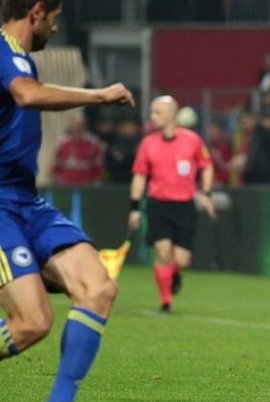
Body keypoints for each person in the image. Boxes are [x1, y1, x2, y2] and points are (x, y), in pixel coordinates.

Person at [0, 1, 135, 401]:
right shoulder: (5, 51)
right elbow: (26, 95)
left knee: (98, 288)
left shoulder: (20, 58)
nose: (56, 29)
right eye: (55, 19)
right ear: (37, 12)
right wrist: (99, 96)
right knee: (31, 323)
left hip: (26, 201)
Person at [128, 96, 216, 313]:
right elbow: (140, 175)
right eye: (152, 112)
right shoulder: (148, 143)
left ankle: (175, 274)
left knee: (182, 260)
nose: (152, 116)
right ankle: (166, 301)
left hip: (185, 206)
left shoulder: (192, 140)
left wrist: (206, 193)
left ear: (171, 115)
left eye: (157, 112)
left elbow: (206, 165)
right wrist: (134, 209)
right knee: (163, 252)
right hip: (158, 204)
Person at [52, 114, 105, 187]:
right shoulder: (63, 143)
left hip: (86, 185)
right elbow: (57, 165)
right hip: (66, 184)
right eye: (75, 124)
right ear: (71, 126)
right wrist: (57, 180)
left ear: (85, 126)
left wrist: (96, 183)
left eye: (81, 124)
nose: (78, 127)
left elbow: (98, 166)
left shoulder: (93, 143)